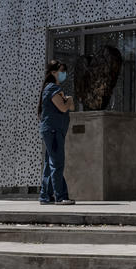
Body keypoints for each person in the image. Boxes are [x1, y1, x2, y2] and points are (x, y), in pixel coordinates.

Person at [38, 59, 76, 205]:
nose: (63, 73)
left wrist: (68, 102)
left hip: (53, 130)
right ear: (53, 72)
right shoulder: (53, 89)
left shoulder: (51, 89)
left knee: (49, 163)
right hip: (53, 131)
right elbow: (64, 107)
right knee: (57, 163)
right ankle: (60, 196)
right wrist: (70, 99)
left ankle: (45, 196)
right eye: (61, 70)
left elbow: (69, 107)